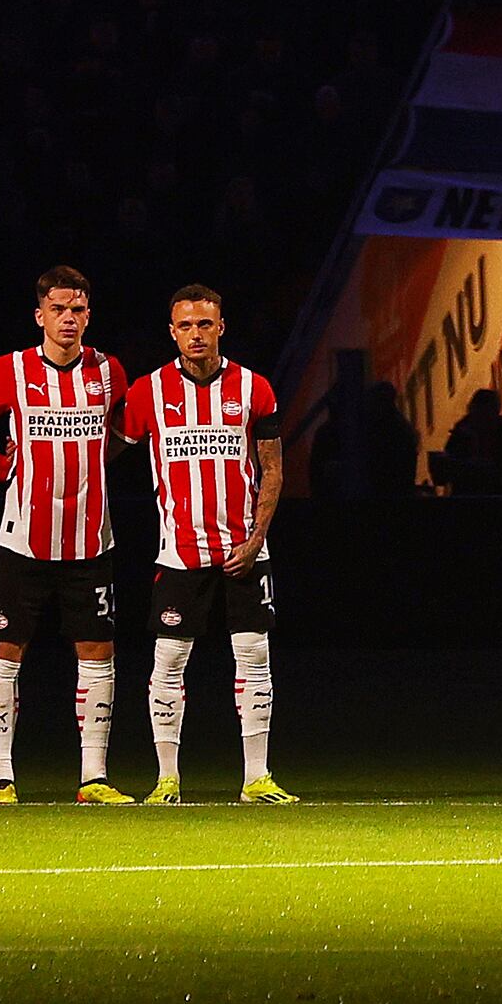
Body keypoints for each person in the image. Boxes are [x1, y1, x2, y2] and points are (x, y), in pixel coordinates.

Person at [123, 283, 287, 804]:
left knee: (254, 656)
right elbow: (112, 454)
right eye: (186, 326)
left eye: (205, 324)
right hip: (179, 552)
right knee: (168, 661)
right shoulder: (147, 391)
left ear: (222, 327)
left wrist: (256, 537)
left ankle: (256, 777)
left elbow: (273, 468)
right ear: (172, 332)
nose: (196, 334)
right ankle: (167, 778)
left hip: (244, 549)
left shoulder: (254, 387)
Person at [0, 268, 131, 805]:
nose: (69, 319)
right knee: (8, 651)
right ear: (39, 315)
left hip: (91, 541)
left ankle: (93, 776)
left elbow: (118, 438)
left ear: (89, 315)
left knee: (97, 650)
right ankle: (0, 774)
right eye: (59, 309)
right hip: (22, 541)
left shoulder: (110, 372)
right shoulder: (8, 370)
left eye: (79, 310)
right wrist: (1, 466)